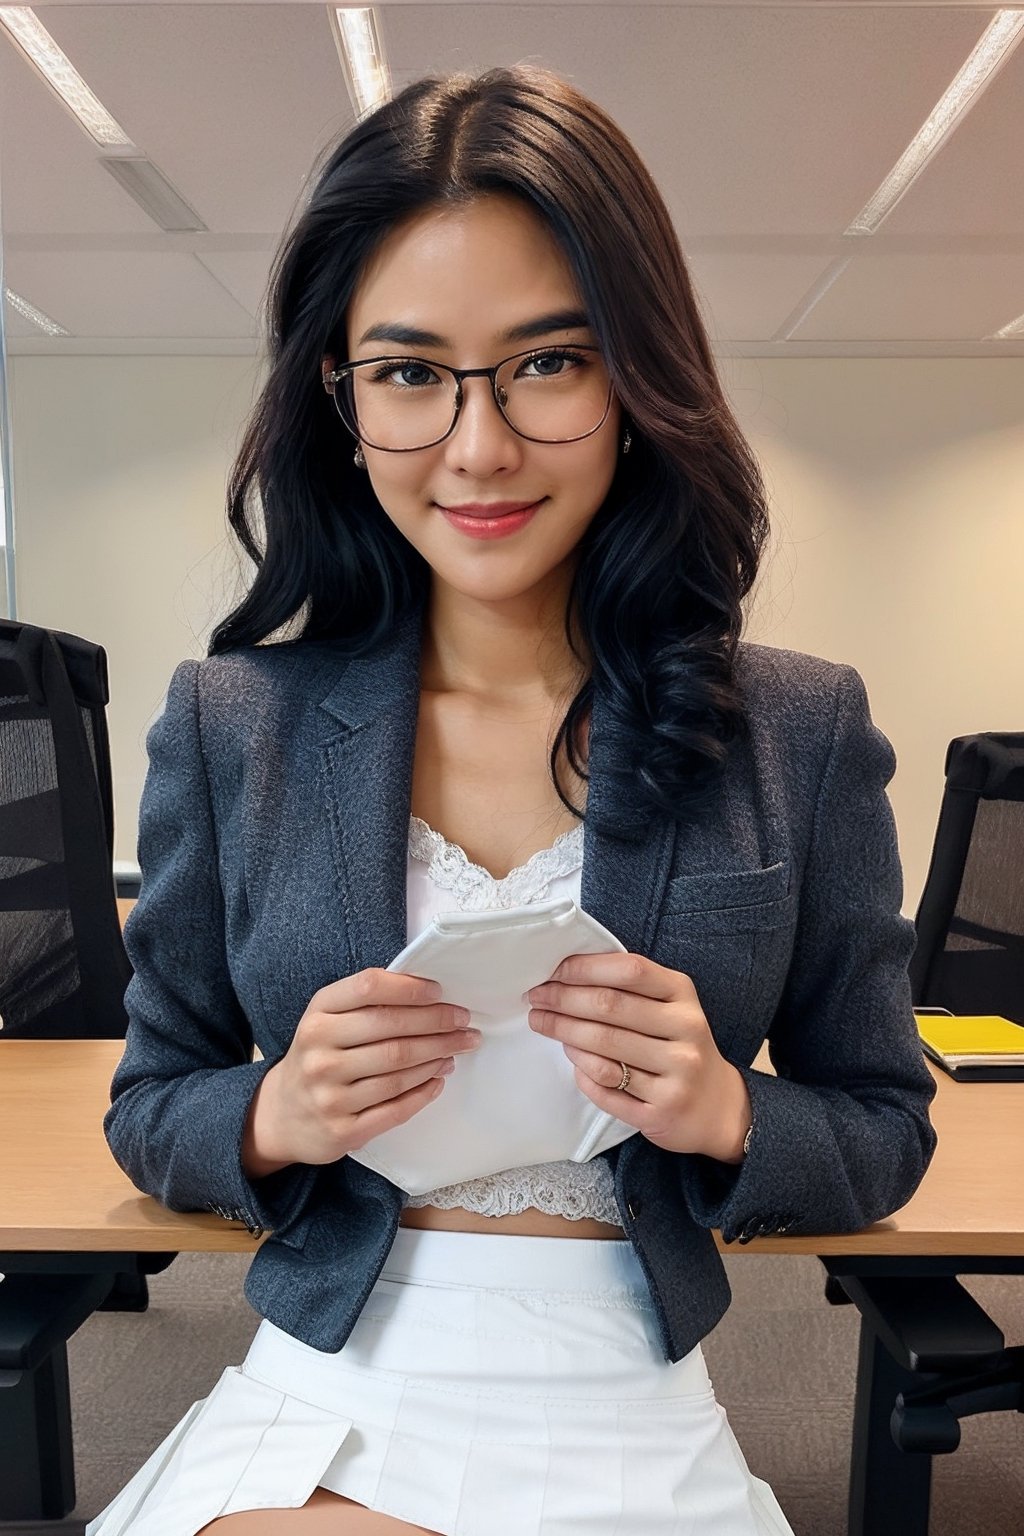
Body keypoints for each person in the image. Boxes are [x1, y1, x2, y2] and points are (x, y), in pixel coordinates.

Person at [86, 63, 938, 1536]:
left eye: (548, 362)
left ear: (636, 375)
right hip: (334, 1373)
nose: (477, 448)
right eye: (410, 374)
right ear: (341, 404)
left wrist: (725, 1108)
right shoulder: (238, 725)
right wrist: (282, 1110)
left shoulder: (794, 725)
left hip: (625, 1379)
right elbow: (153, 1105)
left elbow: (883, 1128)